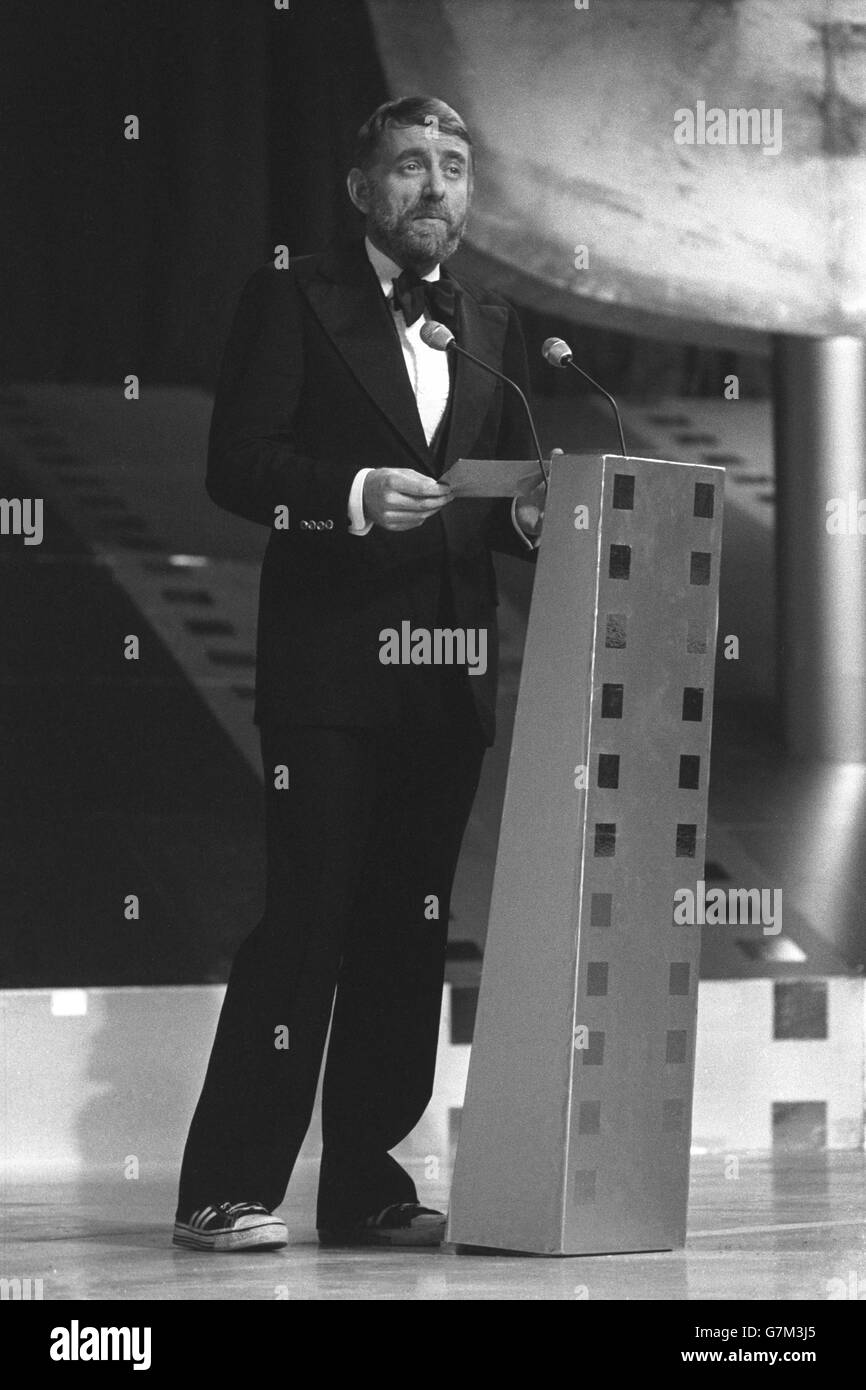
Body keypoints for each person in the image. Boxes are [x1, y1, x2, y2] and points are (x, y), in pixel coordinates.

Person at [173, 95, 547, 1252]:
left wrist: (532, 517)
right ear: (359, 190)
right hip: (330, 669)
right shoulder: (293, 296)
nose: (433, 186)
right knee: (308, 920)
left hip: (445, 672)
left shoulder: (490, 319)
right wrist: (343, 496)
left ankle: (368, 1185)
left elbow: (495, 494)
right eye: (407, 167)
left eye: (452, 165)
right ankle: (223, 1187)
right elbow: (237, 464)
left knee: (408, 928)